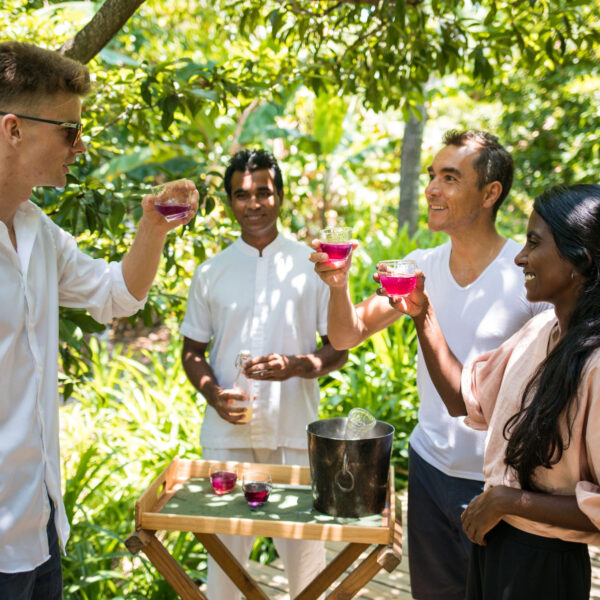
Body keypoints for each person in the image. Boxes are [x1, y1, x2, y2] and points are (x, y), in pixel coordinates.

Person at [310, 130, 549, 600]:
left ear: (490, 193)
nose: (432, 189)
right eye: (431, 176)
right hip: (429, 469)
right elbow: (345, 335)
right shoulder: (418, 269)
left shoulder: (527, 274)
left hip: (499, 483)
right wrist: (337, 285)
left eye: (450, 177)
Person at [0, 42, 198, 599]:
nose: (80, 146)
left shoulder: (38, 231)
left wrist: (153, 229)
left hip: (39, 527)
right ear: (13, 129)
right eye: (68, 131)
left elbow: (116, 295)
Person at [395, 183, 600, 599]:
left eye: (534, 243)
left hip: (546, 563)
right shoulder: (542, 331)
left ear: (579, 260)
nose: (521, 257)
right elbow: (462, 398)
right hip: (497, 544)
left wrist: (509, 501)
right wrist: (423, 314)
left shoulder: (595, 365)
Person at [181, 148, 348, 599]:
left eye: (263, 193)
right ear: (230, 201)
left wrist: (294, 366)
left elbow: (339, 349)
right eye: (241, 194)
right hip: (226, 438)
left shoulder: (312, 267)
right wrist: (214, 393)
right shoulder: (210, 272)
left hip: (294, 435)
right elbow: (192, 350)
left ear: (280, 196)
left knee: (306, 564)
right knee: (225, 567)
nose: (253, 204)